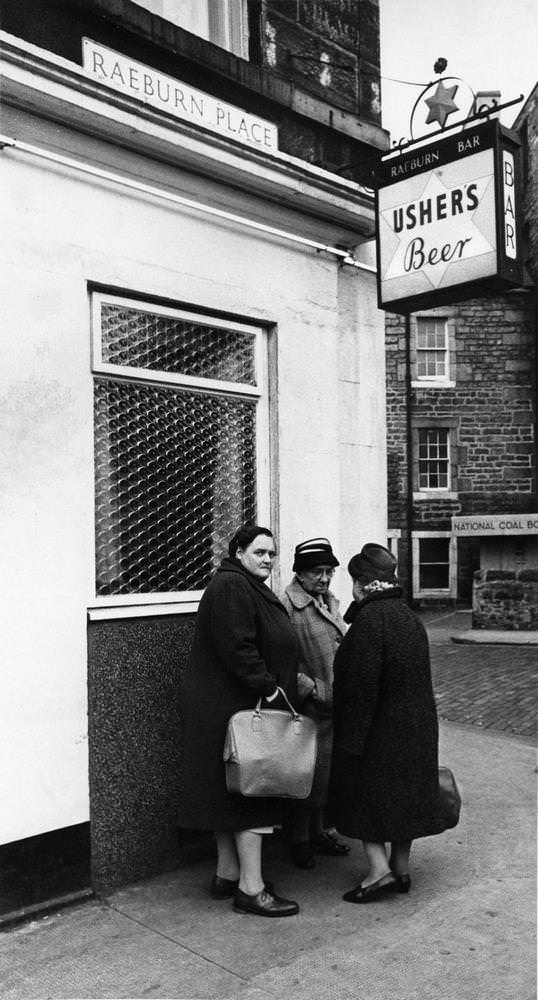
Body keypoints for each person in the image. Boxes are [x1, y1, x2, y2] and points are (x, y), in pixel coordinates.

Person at [177, 524, 300, 918]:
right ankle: (251, 888)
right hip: (238, 709)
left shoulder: (240, 584)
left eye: (272, 554)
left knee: (229, 792)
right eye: (260, 552)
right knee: (252, 792)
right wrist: (266, 686)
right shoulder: (232, 586)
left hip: (228, 709)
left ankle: (227, 873)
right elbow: (237, 645)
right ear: (239, 551)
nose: (267, 559)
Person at [329, 543, 440, 903]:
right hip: (416, 729)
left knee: (368, 800)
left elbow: (359, 687)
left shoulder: (369, 622)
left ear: (361, 584)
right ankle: (401, 868)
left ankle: (378, 872)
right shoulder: (408, 617)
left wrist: (351, 741)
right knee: (403, 799)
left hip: (379, 733)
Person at [281, 537, 350, 869]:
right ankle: (298, 839)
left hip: (335, 705)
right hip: (308, 708)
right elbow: (281, 663)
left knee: (326, 776)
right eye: (317, 572)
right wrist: (313, 689)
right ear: (301, 574)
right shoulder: (287, 605)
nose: (324, 579)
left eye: (329, 571)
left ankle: (320, 832)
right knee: (304, 776)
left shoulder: (329, 601)